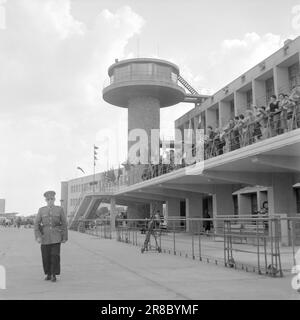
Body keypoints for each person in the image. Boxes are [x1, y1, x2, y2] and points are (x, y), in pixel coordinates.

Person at [34, 191, 68, 282]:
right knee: (45, 256)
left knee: (55, 256)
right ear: (46, 200)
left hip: (56, 236)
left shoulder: (59, 209)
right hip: (44, 237)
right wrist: (38, 236)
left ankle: (54, 274)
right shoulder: (41, 210)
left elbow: (64, 224)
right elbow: (36, 224)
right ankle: (48, 274)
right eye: (48, 199)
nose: (50, 201)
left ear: (54, 199)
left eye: (51, 199)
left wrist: (64, 237)